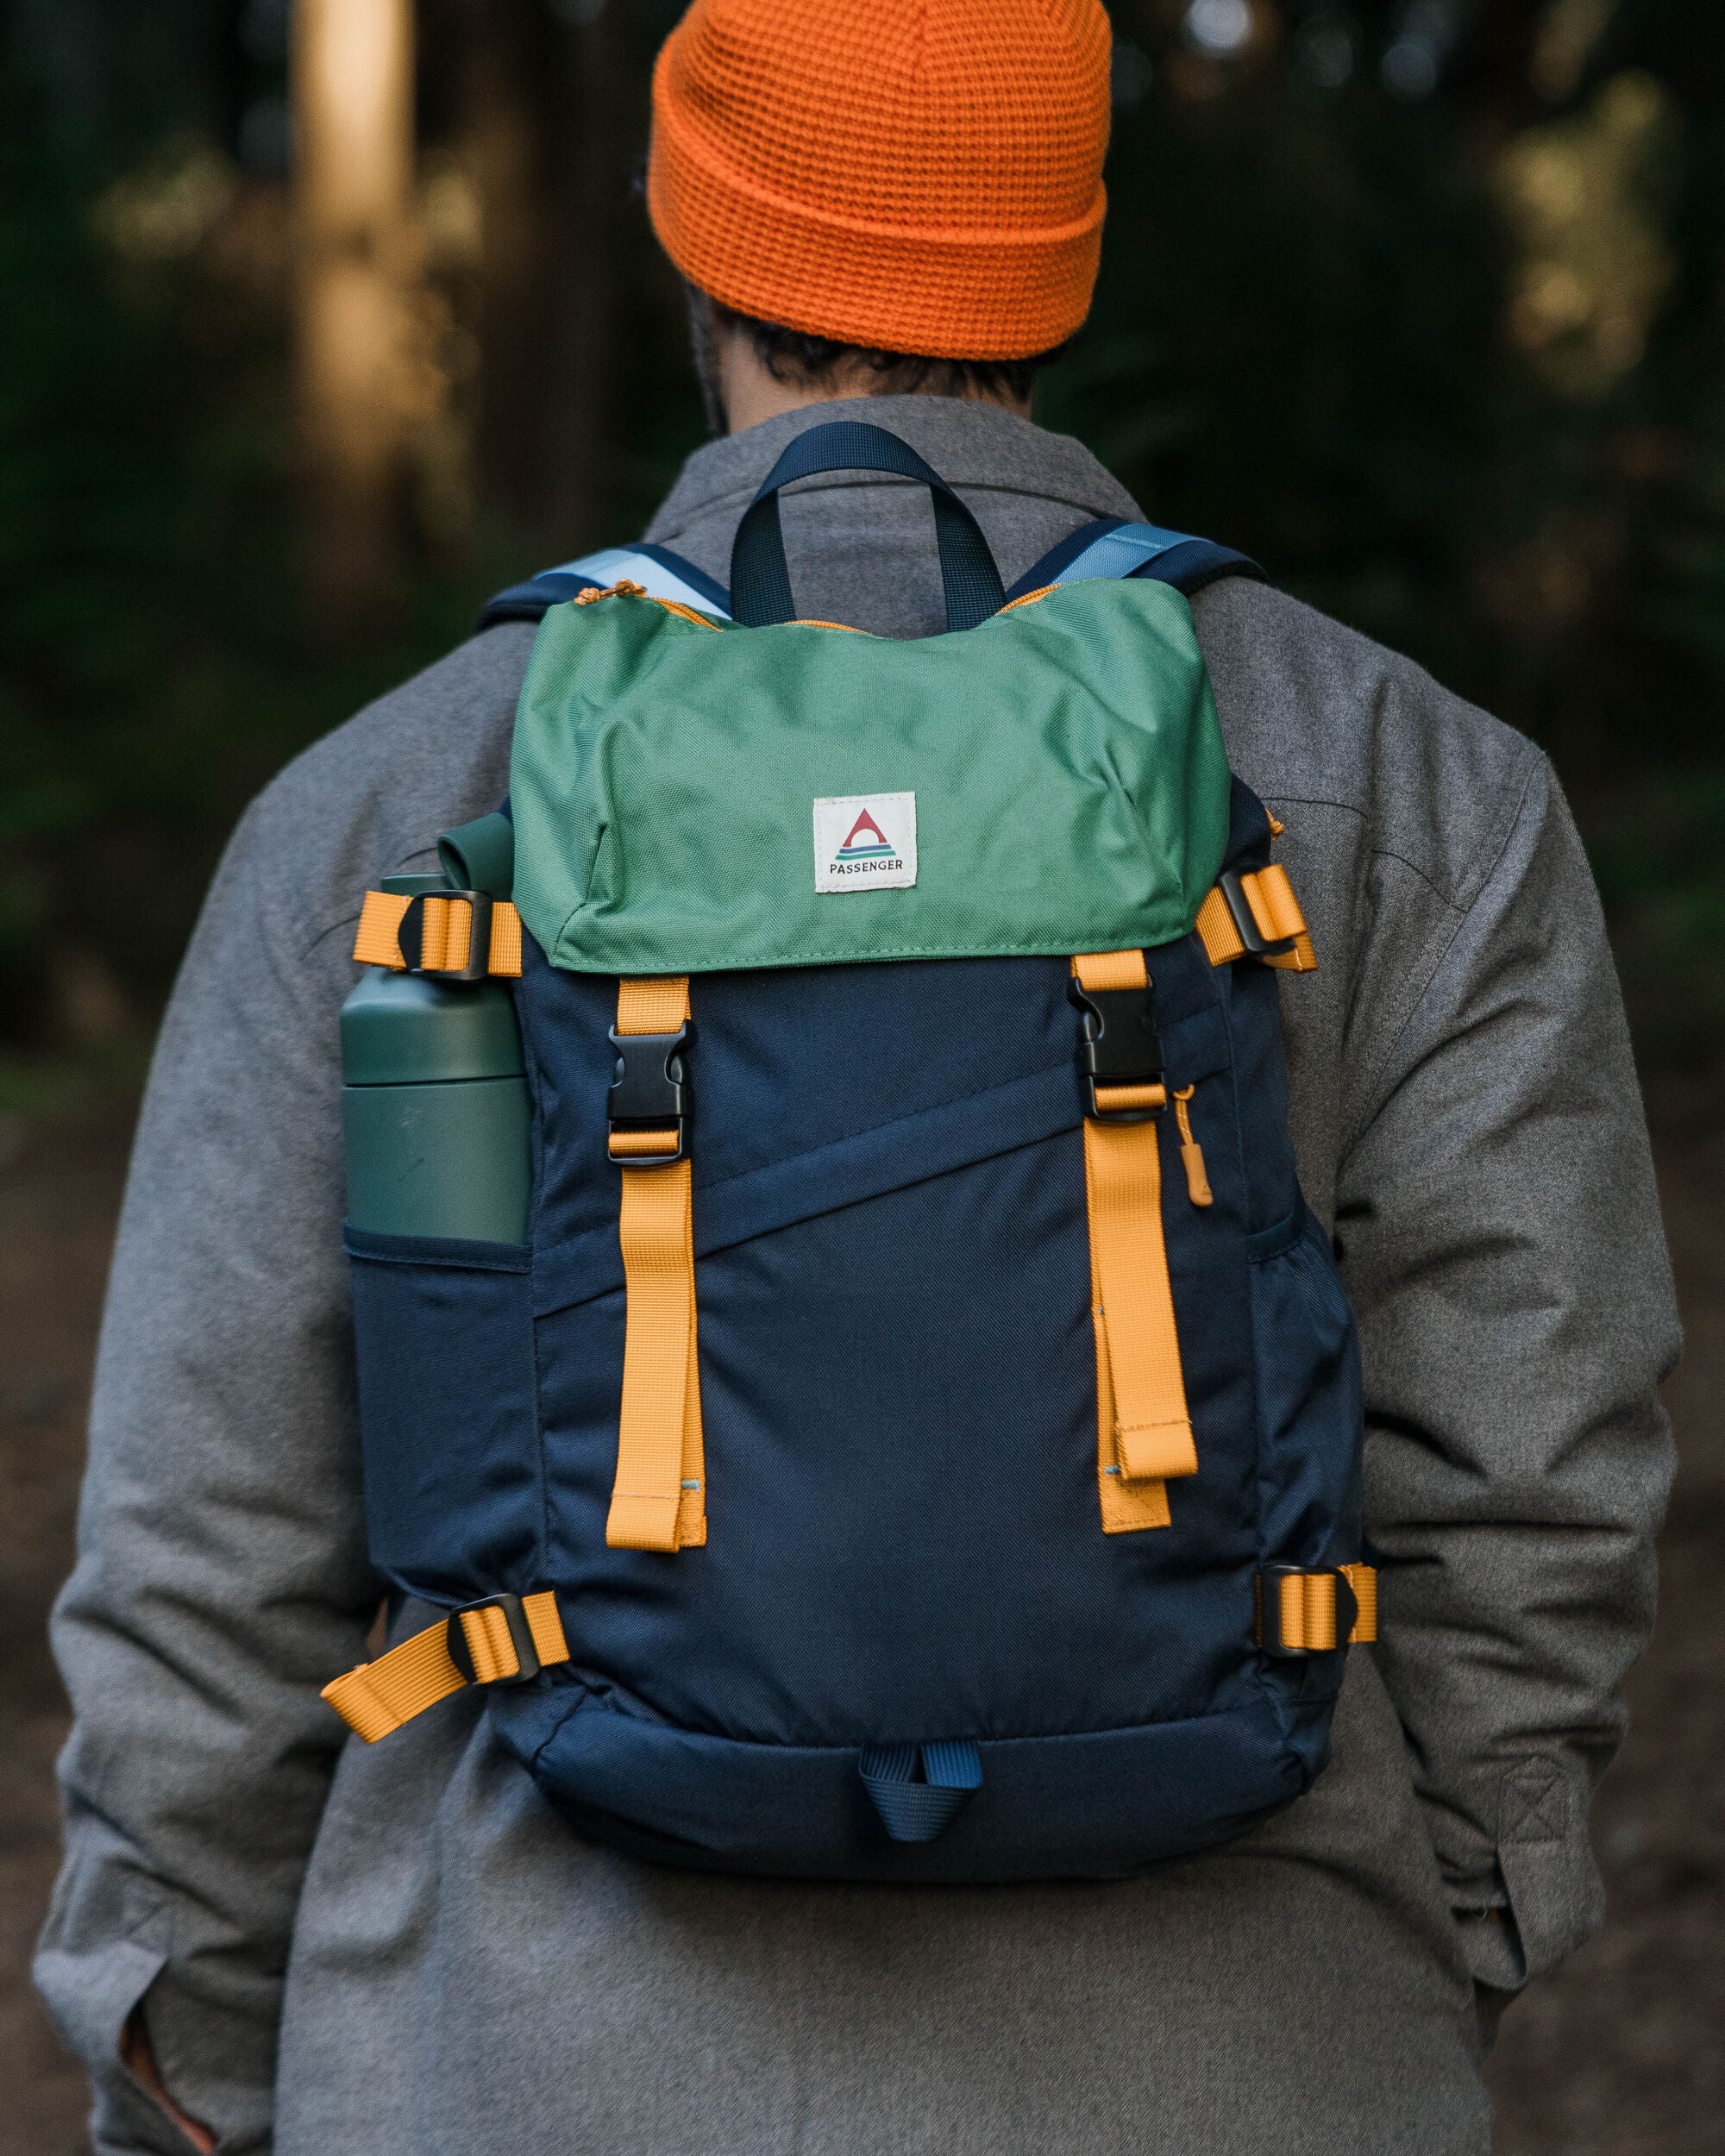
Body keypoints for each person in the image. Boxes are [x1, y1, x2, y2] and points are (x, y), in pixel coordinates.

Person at [37, 1, 1678, 2150]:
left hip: (521, 2055)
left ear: (684, 233)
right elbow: (1539, 1469)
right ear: (1063, 257)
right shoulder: (1416, 784)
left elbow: (204, 1551)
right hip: (1243, 2053)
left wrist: (187, 2054)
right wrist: (1426, 1927)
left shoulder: (391, 806)